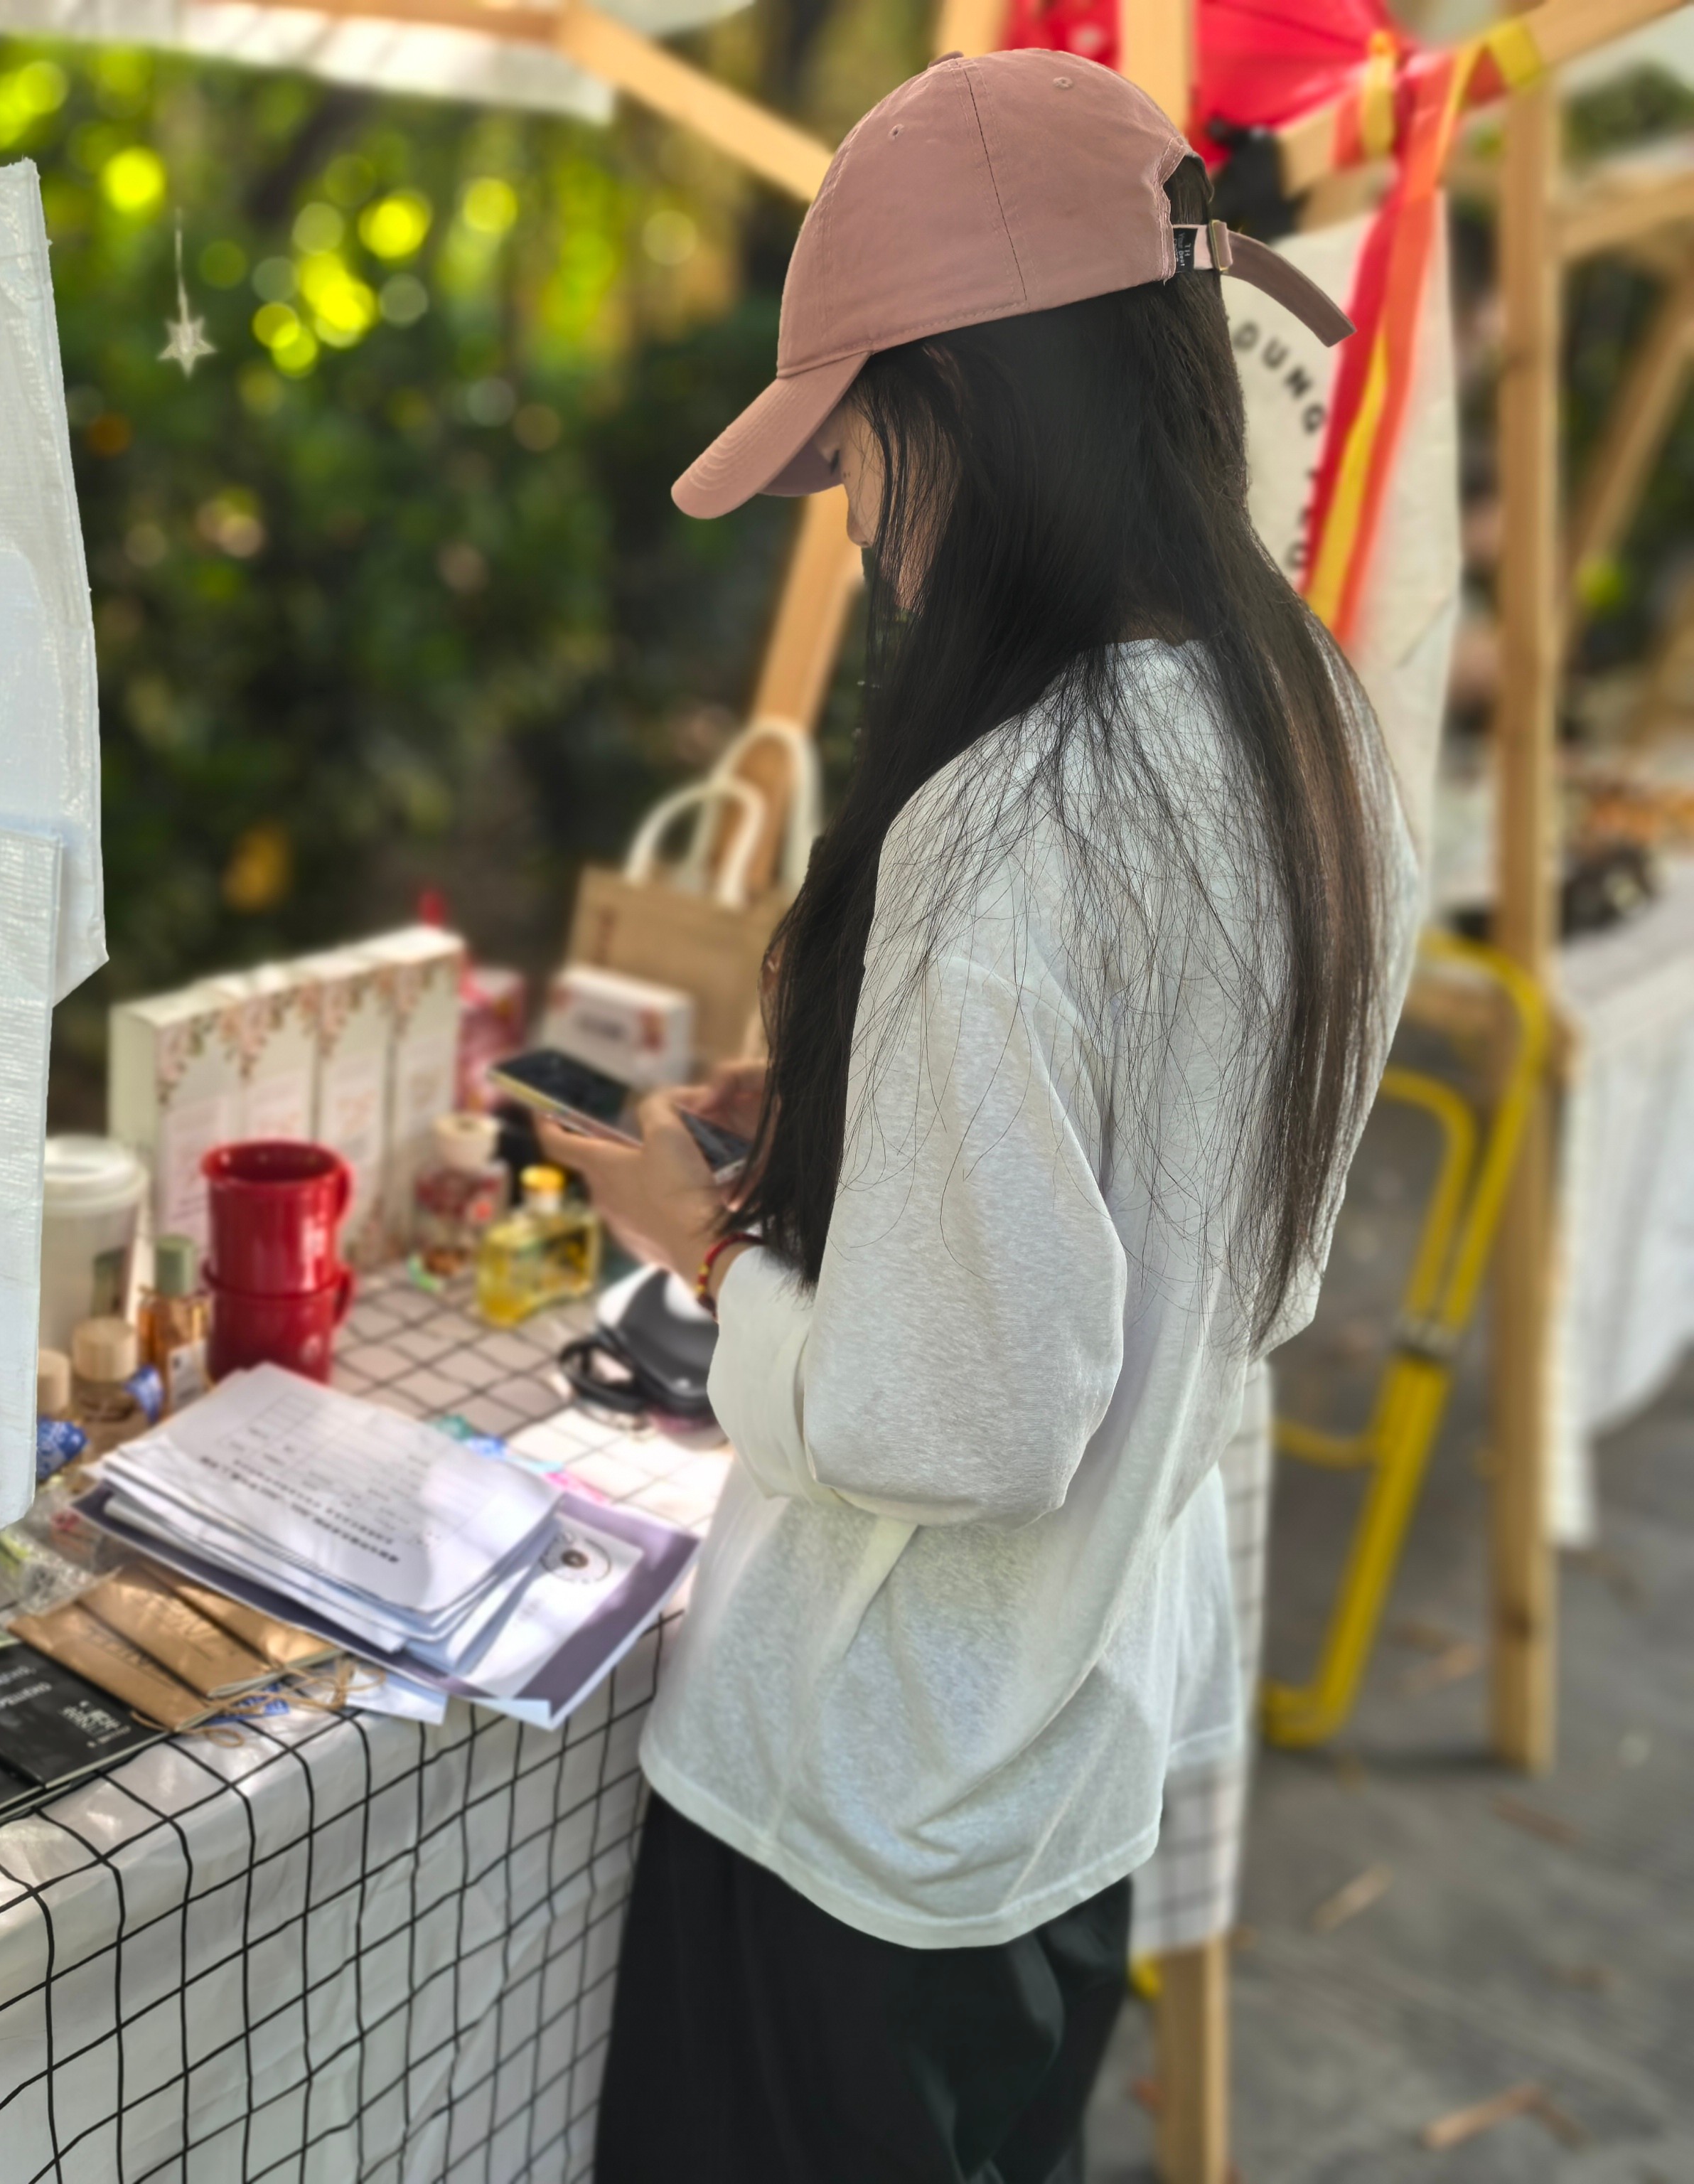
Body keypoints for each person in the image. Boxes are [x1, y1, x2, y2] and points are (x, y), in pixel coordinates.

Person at [544, 51, 1418, 2183]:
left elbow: (953, 1424)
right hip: (1073, 1759)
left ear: (966, 410)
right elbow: (1229, 1241)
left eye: (860, 452)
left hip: (866, 1797)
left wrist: (707, 1244)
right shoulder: (1311, 728)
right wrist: (863, 1105)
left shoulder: (1009, 821)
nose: (864, 523)